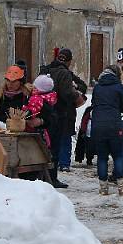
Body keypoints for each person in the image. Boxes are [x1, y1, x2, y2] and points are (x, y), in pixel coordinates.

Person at [43, 48, 86, 186]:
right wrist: (77, 95)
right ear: (69, 61)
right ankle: (53, 177)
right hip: (61, 112)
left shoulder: (45, 70)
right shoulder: (65, 73)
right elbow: (67, 93)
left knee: (46, 144)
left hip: (44, 111)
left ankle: (45, 174)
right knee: (56, 144)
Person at [91, 65, 123, 195]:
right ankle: (122, 186)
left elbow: (94, 104)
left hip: (98, 126)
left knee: (102, 157)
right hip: (114, 126)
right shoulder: (119, 87)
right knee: (118, 155)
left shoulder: (97, 88)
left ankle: (103, 188)